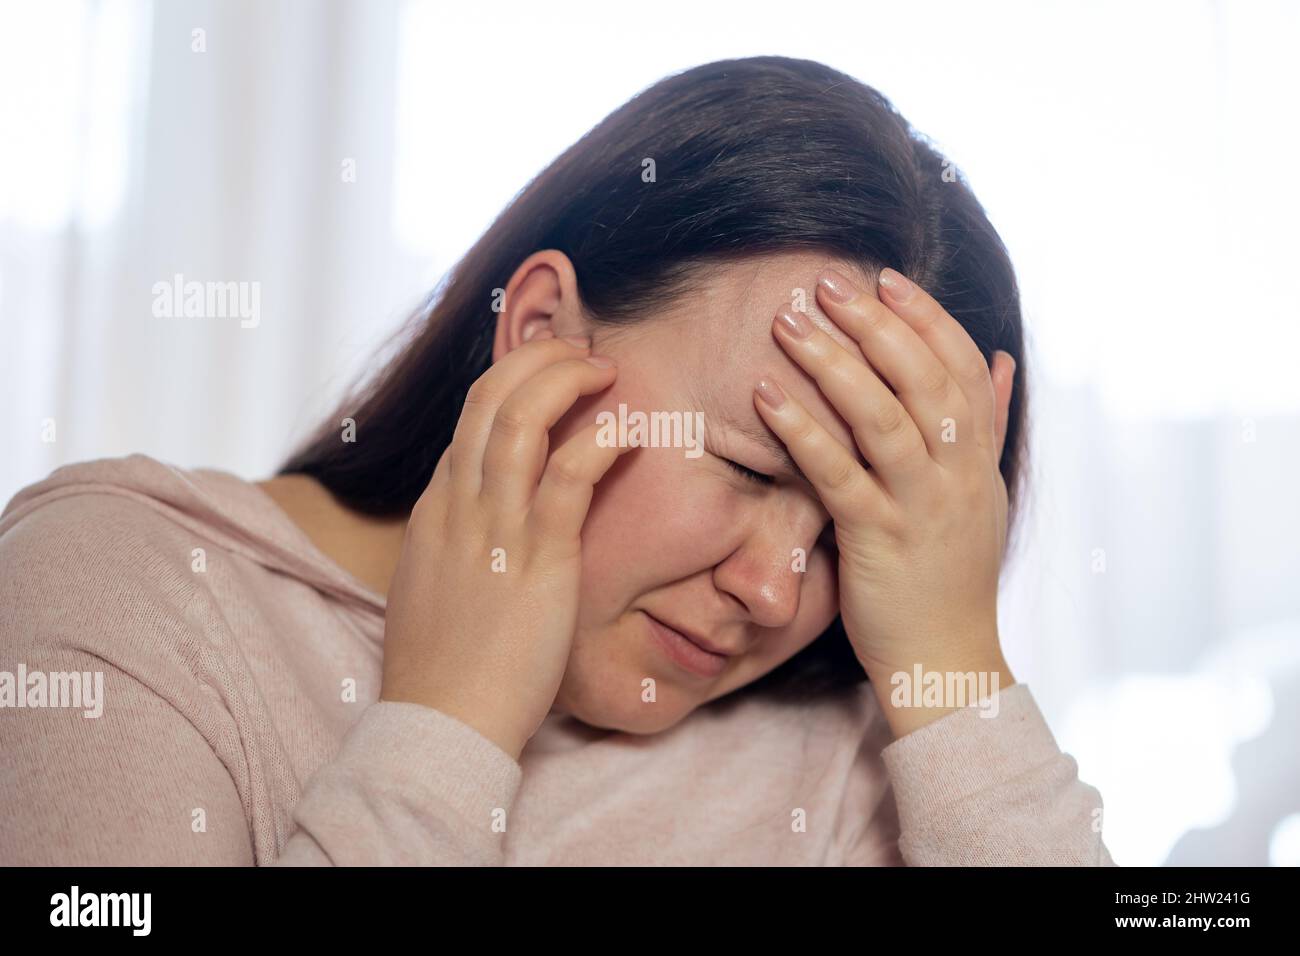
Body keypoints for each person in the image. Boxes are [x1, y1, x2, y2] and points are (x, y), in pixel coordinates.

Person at [0, 55, 1114, 865]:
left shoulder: (865, 768)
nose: (774, 594)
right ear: (537, 332)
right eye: (748, 466)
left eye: (854, 529)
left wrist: (957, 674)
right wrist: (448, 724)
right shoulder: (121, 599)